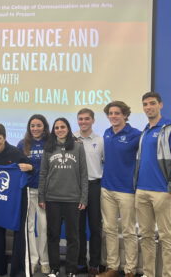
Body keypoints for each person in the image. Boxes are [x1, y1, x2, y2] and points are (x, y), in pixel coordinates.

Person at [38, 118, 88, 277]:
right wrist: (41, 197)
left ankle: (71, 269)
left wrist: (83, 198)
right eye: (57, 127)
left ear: (68, 128)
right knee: (53, 235)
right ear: (53, 130)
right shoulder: (48, 148)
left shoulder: (78, 147)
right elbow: (43, 174)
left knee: (73, 237)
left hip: (73, 199)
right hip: (52, 199)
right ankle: (54, 268)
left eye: (63, 127)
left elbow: (83, 175)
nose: (60, 130)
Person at [0, 123, 34, 277]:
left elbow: (32, 168)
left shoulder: (15, 152)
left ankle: (18, 271)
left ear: (5, 137)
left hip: (17, 197)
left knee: (19, 232)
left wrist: (28, 167)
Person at [97, 101, 141, 277]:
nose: (113, 116)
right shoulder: (107, 133)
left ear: (125, 115)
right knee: (109, 229)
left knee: (129, 230)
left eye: (117, 113)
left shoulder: (136, 135)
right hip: (106, 188)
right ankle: (113, 267)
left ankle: (130, 270)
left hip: (127, 190)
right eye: (110, 113)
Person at [133, 92, 171, 277]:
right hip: (142, 191)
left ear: (160, 105)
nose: (149, 107)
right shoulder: (145, 131)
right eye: (145, 104)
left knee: (166, 237)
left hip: (163, 192)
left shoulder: (168, 128)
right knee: (146, 237)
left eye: (152, 103)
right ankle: (149, 274)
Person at [17, 114, 50, 274]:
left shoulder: (51, 143)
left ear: (44, 127)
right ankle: (33, 260)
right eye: (32, 126)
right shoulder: (22, 144)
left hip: (45, 192)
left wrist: (33, 169)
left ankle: (45, 260)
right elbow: (16, 167)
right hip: (28, 191)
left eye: (38, 125)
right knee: (29, 227)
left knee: (43, 227)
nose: (35, 128)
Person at [74, 108, 104, 277]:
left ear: (93, 120)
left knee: (95, 227)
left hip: (94, 186)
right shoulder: (71, 139)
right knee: (78, 228)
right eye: (80, 119)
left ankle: (94, 263)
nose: (83, 122)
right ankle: (80, 262)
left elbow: (105, 161)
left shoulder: (100, 140)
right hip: (76, 188)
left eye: (87, 119)